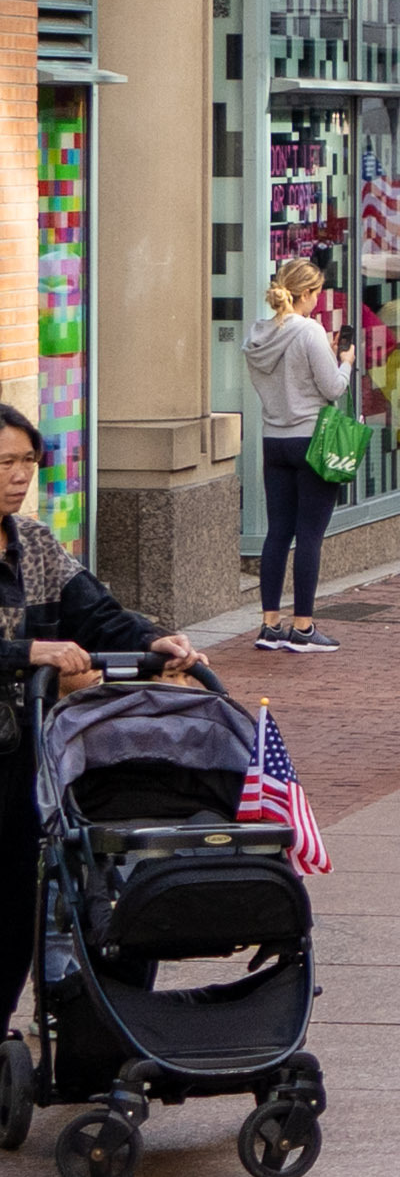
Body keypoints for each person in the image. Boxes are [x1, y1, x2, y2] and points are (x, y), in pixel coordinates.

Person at [0, 404, 203, 1044]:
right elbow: (33, 651)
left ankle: (86, 1035)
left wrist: (155, 638)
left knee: (51, 897)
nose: (19, 476)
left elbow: (100, 614)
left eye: (28, 462)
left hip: (32, 755)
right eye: (5, 462)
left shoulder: (32, 544)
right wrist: (25, 652)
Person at [242, 259, 355, 655]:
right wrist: (345, 361)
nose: (317, 301)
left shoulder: (259, 333)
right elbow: (332, 388)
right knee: (309, 535)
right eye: (316, 293)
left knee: (278, 532)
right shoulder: (308, 331)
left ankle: (269, 624)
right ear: (305, 294)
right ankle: (303, 627)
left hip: (274, 439)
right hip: (311, 438)